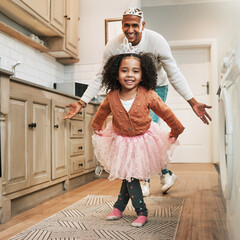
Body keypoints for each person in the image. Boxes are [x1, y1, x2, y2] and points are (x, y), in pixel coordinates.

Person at [64, 7, 212, 195]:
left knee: (146, 130)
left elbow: (174, 73)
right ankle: (165, 173)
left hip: (156, 87)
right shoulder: (113, 46)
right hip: (129, 87)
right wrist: (82, 102)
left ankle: (144, 180)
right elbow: (100, 76)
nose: (130, 29)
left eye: (135, 25)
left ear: (142, 25)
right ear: (122, 25)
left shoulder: (157, 41)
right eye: (126, 25)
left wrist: (192, 102)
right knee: (134, 132)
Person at [91, 52, 184, 227]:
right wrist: (97, 125)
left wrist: (176, 128)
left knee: (131, 175)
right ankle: (122, 208)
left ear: (143, 75)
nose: (129, 75)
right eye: (124, 70)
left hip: (143, 141)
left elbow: (165, 111)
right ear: (116, 74)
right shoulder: (111, 96)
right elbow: (101, 112)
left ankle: (140, 211)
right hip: (121, 141)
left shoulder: (148, 94)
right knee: (129, 175)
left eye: (135, 71)